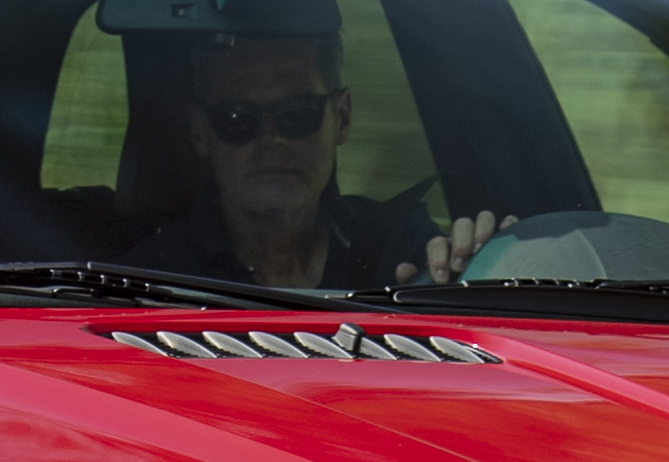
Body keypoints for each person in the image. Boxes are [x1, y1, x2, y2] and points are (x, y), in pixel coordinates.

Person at [148, 29, 502, 291]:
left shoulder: (400, 245)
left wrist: (493, 257)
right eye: (237, 118)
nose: (272, 139)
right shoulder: (152, 280)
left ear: (342, 117)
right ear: (200, 132)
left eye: (298, 112)